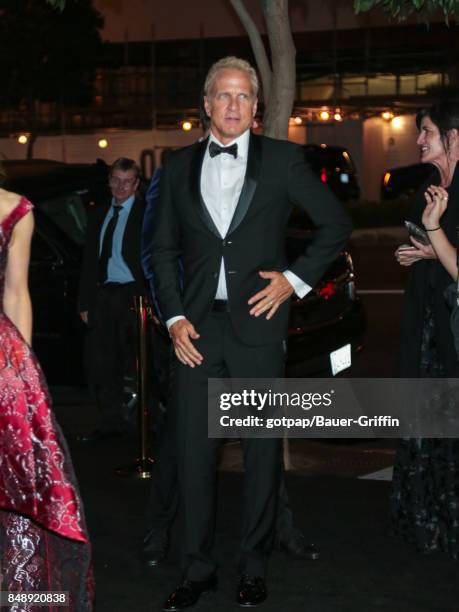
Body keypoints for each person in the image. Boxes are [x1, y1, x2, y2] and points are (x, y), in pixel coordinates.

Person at [151, 56, 352, 610]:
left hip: (259, 329)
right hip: (193, 332)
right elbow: (162, 250)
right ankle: (196, 570)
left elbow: (336, 225)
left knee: (261, 454)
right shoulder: (175, 167)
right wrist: (172, 318)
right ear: (207, 105)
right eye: (224, 95)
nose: (234, 105)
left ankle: (254, 567)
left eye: (244, 97)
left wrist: (294, 280)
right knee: (194, 455)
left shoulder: (285, 161)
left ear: (256, 106)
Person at [0, 174, 94, 609]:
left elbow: (17, 294)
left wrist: (24, 370)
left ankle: (17, 593)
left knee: (16, 482)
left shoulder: (15, 209)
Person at [393, 100, 459, 558]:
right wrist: (417, 251)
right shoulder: (431, 187)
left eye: (427, 132)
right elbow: (429, 240)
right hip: (428, 322)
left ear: (453, 136)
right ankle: (428, 523)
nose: (418, 140)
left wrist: (434, 247)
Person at [78, 158, 146, 443]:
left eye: (127, 181)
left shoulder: (147, 214)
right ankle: (111, 423)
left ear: (136, 184)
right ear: (109, 181)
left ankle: (148, 425)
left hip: (134, 295)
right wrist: (84, 302)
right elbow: (89, 261)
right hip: (103, 296)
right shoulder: (99, 213)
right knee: (103, 363)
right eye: (116, 180)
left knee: (141, 363)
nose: (120, 186)